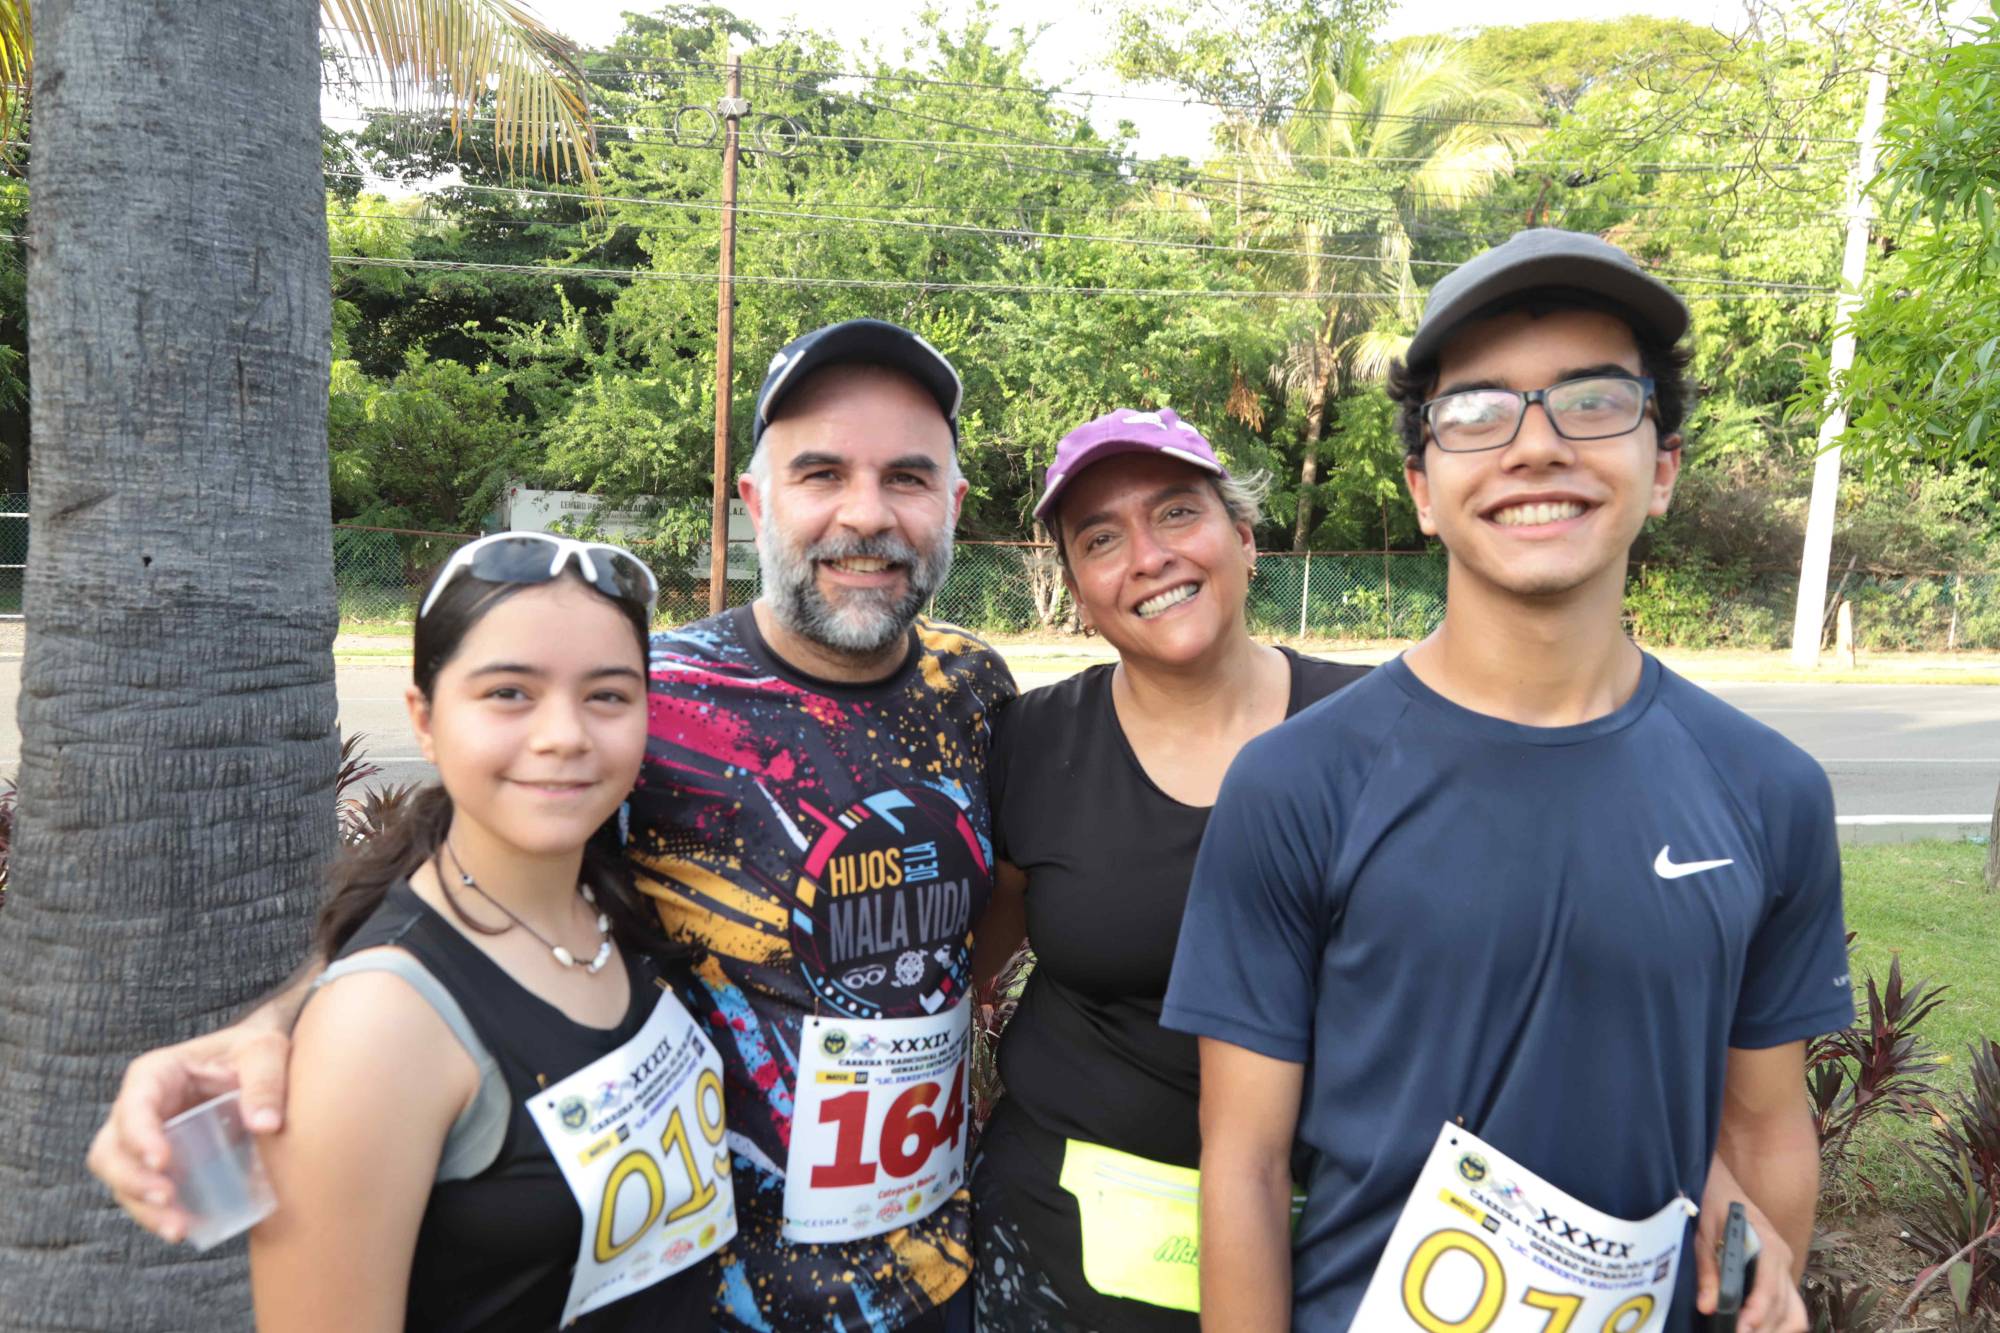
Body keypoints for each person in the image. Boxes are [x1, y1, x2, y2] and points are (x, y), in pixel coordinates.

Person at [90, 320, 1015, 1333]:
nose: (866, 515)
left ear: (953, 507)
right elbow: (459, 881)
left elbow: (987, 913)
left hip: (934, 1279)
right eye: (821, 473)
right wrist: (273, 1030)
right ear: (756, 502)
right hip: (717, 1300)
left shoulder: (972, 688)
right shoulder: (646, 701)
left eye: (909, 479)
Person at [1163, 229, 1846, 1333]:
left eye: (1590, 401)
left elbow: (1762, 1127)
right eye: (1477, 410)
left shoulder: (1766, 789)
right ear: (1422, 488)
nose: (1534, 448)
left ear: (1660, 467)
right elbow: (1240, 1160)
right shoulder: (1295, 783)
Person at [250, 532, 730, 1331]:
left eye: (608, 694)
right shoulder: (382, 1025)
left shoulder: (621, 900)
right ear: (425, 718)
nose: (564, 735)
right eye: (510, 692)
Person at [967, 407, 1368, 1332]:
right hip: (1061, 1243)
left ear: (1245, 535)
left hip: (1333, 1239)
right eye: (1101, 538)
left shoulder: (1378, 729)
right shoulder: (1031, 741)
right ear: (1077, 587)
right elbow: (975, 960)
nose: (1148, 556)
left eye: (1178, 513)